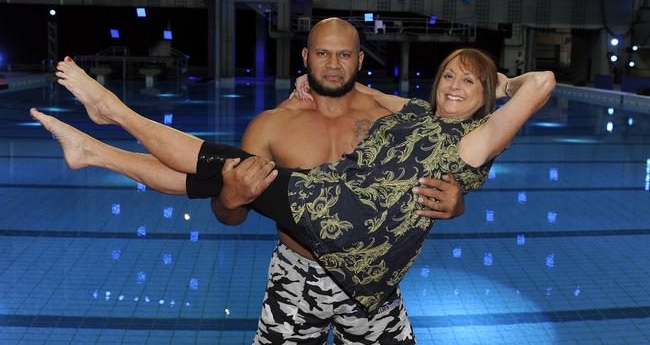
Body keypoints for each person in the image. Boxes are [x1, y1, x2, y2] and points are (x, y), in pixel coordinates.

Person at [30, 47, 555, 315]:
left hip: (346, 222)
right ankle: (94, 153)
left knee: (218, 162)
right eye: (450, 75)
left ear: (487, 97)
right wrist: (311, 84)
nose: (456, 86)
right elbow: (363, 88)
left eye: (470, 81)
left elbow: (544, 84)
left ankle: (111, 112)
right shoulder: (417, 111)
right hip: (338, 212)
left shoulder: (479, 139)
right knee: (218, 177)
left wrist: (503, 83)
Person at [39, 18, 466, 344]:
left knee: (207, 166)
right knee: (216, 175)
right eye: (322, 54)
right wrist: (231, 195)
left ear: (359, 59)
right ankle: (98, 142)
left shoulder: (392, 120)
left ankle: (100, 141)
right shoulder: (272, 126)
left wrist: (455, 202)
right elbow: (229, 215)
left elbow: (445, 181)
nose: (333, 65)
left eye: (342, 55)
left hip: (373, 279)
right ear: (305, 58)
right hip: (299, 277)